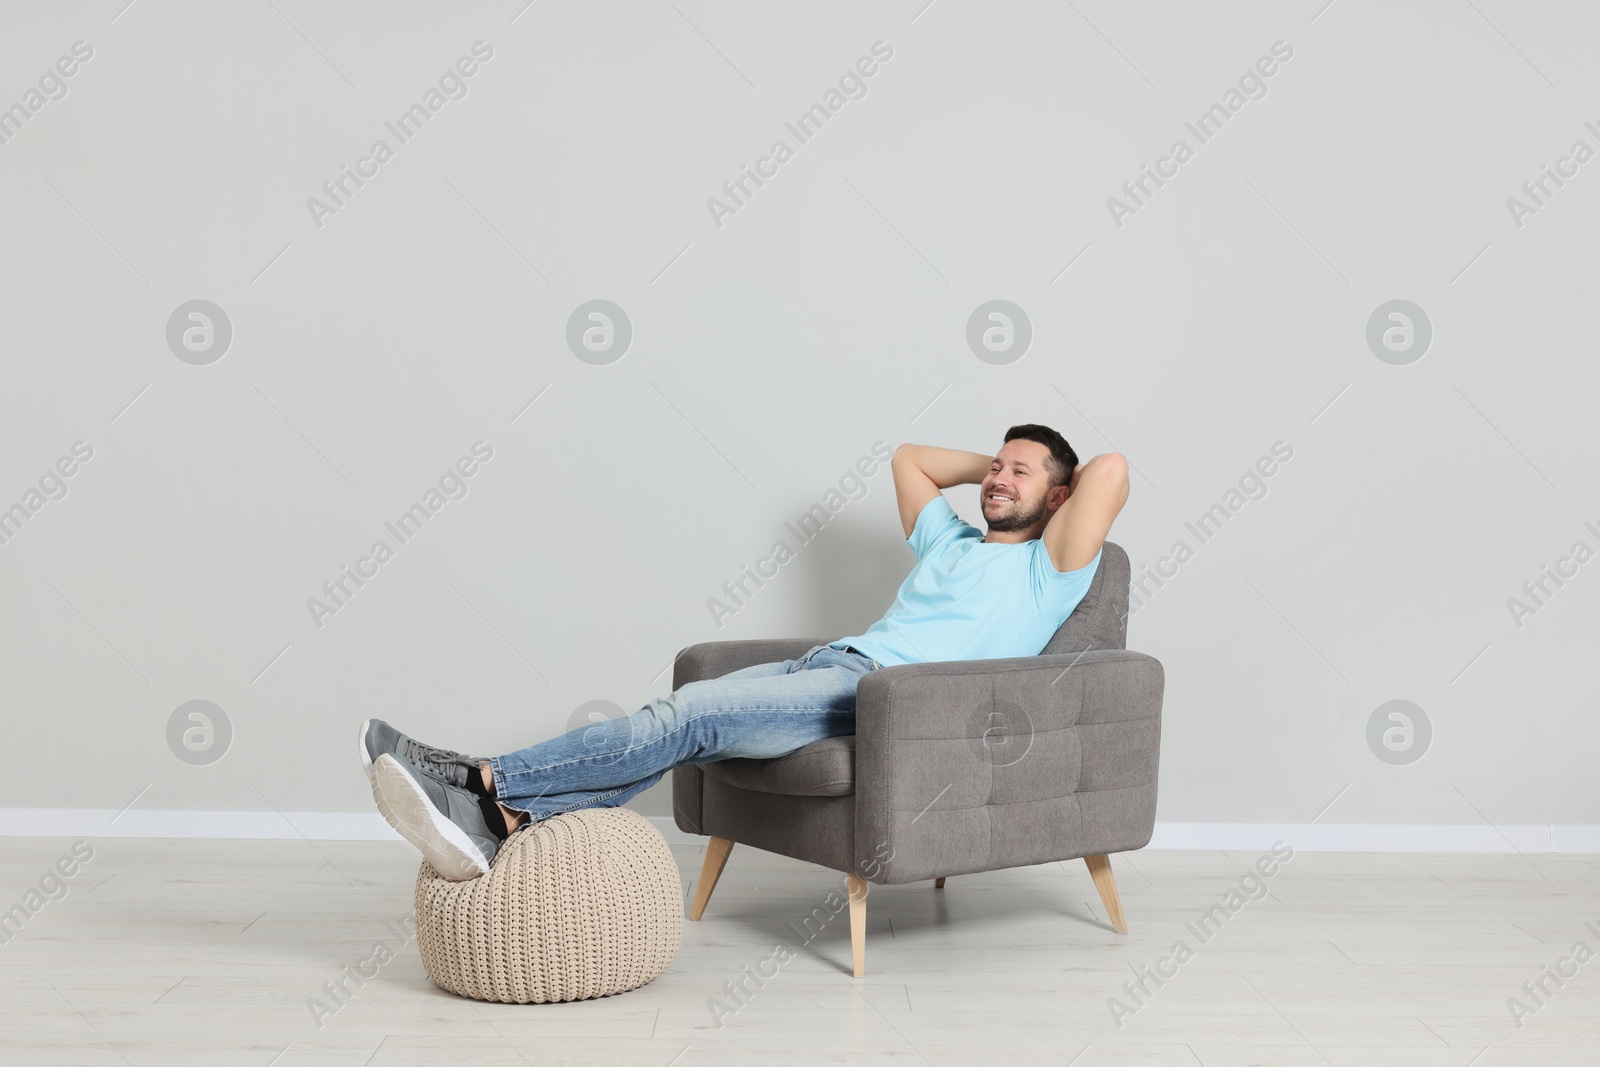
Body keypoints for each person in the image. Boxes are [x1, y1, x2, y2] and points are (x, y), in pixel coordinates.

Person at [359, 424, 1130, 879]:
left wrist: (1046, 473)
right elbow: (907, 458)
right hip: (828, 664)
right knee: (680, 726)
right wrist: (993, 463)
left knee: (686, 713)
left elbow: (1111, 471)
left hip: (878, 695)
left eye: (1017, 472)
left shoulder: (1048, 570)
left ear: (1059, 499)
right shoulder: (952, 541)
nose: (996, 477)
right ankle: (502, 817)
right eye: (996, 466)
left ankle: (481, 778)